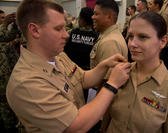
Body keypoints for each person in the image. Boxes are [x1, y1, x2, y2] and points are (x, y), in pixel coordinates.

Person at [6, 0, 131, 132]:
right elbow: (76, 125)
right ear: (35, 30)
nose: (66, 35)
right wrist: (112, 84)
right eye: (58, 28)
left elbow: (83, 78)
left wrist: (104, 65)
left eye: (65, 28)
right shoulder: (27, 83)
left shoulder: (58, 56)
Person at [100, 11, 168, 133]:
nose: (132, 44)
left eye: (143, 37)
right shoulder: (119, 73)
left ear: (162, 41)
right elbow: (107, 118)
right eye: (130, 36)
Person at [90, 0, 128, 77]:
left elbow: (108, 80)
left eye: (96, 14)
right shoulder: (106, 35)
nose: (92, 17)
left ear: (109, 17)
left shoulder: (110, 42)